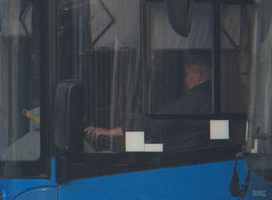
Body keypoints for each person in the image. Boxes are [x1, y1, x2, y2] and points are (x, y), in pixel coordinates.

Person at [84, 53, 213, 152]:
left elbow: (159, 121)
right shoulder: (209, 97)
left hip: (184, 158)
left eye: (187, 74)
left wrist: (111, 132)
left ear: (199, 75)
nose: (185, 80)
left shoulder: (196, 99)